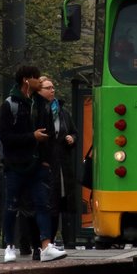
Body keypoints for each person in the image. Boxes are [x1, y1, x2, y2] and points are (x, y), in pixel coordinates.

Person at [0, 64, 66, 263]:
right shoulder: (10, 104)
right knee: (11, 206)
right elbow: (6, 137)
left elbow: (49, 135)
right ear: (26, 80)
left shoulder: (40, 104)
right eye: (36, 78)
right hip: (16, 165)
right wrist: (32, 137)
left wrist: (45, 161)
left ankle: (46, 245)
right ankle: (9, 246)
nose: (40, 81)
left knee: (42, 204)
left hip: (37, 165)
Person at [39, 76, 79, 248]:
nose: (52, 90)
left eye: (53, 87)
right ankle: (47, 242)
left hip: (63, 163)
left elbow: (73, 132)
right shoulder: (39, 111)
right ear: (39, 91)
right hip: (47, 164)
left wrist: (72, 138)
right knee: (50, 202)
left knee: (65, 201)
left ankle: (69, 241)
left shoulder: (62, 112)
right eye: (48, 88)